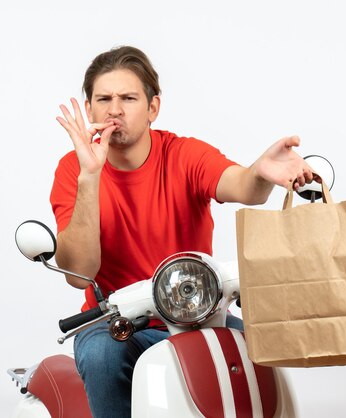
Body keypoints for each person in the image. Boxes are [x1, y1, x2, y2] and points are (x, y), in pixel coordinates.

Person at [50, 45, 314, 418]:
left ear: (153, 107)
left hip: (198, 314)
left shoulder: (183, 154)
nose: (114, 110)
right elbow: (80, 273)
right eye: (103, 99)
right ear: (89, 108)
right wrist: (90, 177)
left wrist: (260, 172)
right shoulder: (72, 171)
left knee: (260, 348)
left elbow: (240, 185)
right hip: (116, 322)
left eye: (128, 98)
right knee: (100, 356)